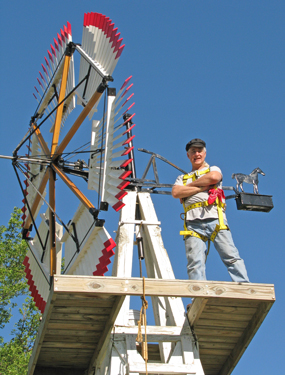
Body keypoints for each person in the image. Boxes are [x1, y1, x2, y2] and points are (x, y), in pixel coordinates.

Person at [172, 138, 249, 282]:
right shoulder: (182, 178)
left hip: (215, 219)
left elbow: (214, 177)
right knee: (194, 263)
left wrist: (189, 188)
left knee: (230, 256)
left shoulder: (212, 169)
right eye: (193, 151)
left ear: (204, 153)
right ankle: (197, 295)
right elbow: (176, 193)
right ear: (188, 155)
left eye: (199, 151)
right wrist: (202, 187)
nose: (197, 154)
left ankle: (244, 286)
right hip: (192, 224)